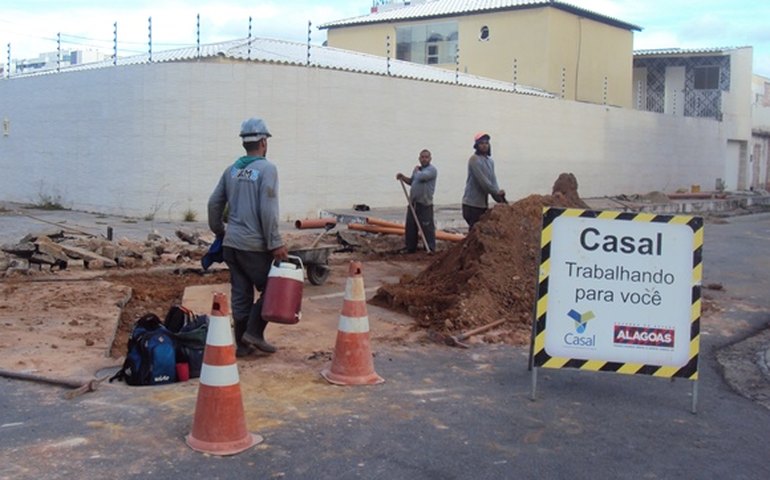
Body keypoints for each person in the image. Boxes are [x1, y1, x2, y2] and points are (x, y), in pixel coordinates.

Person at [208, 116, 289, 357]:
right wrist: (275, 243)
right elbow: (268, 209)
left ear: (245, 143)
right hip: (254, 246)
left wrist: (220, 231)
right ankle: (254, 332)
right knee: (272, 288)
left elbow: (214, 203)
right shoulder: (267, 169)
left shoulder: (231, 170)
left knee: (241, 294)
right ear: (264, 142)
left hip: (232, 245)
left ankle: (242, 346)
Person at [462, 132, 507, 228]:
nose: (484, 145)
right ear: (476, 146)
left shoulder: (490, 162)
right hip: (471, 205)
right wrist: (496, 192)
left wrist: (501, 199)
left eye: (486, 143)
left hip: (482, 205)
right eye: (481, 143)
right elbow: (484, 183)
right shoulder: (474, 160)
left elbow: (493, 182)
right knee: (474, 230)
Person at [396, 149, 437, 253]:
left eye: (426, 157)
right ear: (419, 158)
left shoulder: (431, 170)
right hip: (413, 203)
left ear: (430, 159)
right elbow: (412, 181)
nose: (424, 159)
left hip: (425, 204)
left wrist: (416, 170)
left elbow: (422, 177)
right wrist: (403, 177)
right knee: (410, 226)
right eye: (422, 157)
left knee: (427, 227)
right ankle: (410, 247)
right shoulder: (418, 170)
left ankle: (430, 248)